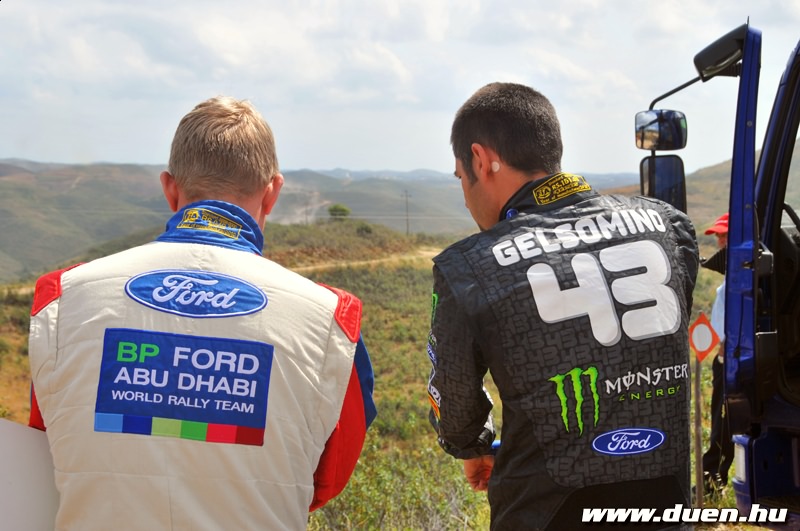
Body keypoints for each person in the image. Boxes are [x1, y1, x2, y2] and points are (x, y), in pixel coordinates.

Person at [27, 96, 377, 530]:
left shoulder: (61, 300)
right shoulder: (330, 321)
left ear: (170, 189)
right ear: (272, 193)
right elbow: (327, 480)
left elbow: (47, 454)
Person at [425, 82, 699, 530]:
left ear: (480, 160)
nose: (465, 194)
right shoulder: (669, 225)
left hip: (545, 510)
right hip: (666, 503)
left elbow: (456, 408)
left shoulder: (469, 266)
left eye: (460, 177)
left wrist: (472, 447)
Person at [700, 212, 733, 497]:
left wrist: (723, 354)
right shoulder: (733, 280)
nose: (720, 241)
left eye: (725, 235)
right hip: (730, 357)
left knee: (723, 424)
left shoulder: (732, 285)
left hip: (730, 360)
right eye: (719, 236)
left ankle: (711, 484)